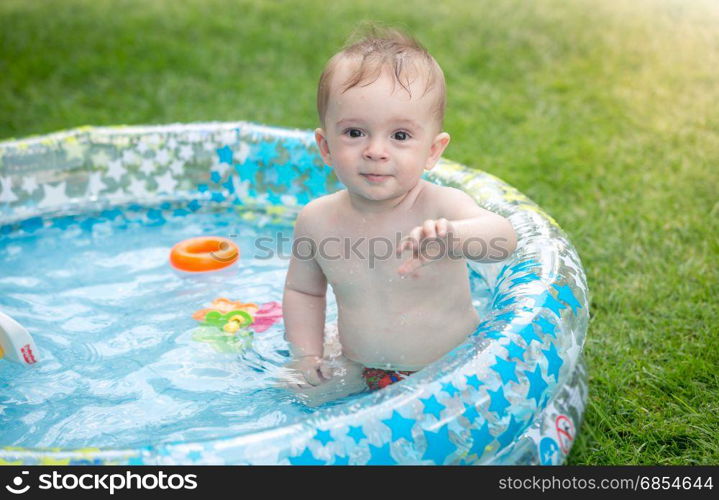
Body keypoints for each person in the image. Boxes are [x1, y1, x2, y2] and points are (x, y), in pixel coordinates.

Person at [279, 26, 517, 405]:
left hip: (449, 369)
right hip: (359, 366)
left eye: (401, 136)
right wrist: (307, 356)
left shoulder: (439, 207)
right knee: (296, 394)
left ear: (433, 151)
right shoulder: (316, 220)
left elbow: (504, 239)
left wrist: (455, 236)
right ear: (325, 146)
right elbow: (303, 291)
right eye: (355, 132)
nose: (375, 151)